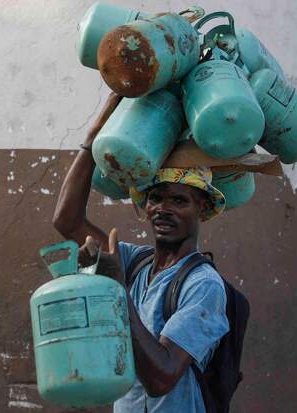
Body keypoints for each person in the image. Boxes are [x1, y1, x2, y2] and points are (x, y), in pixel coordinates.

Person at [53, 93, 229, 413]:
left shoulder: (203, 285)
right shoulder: (136, 263)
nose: (163, 209)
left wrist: (116, 291)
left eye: (179, 201)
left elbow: (161, 379)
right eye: (156, 198)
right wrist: (94, 140)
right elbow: (67, 220)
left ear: (202, 208)